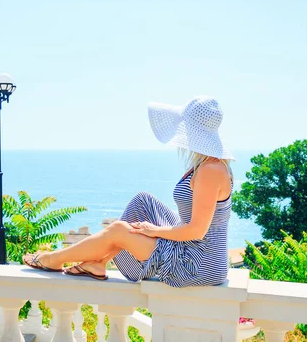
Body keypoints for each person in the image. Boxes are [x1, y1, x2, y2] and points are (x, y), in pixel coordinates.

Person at [22, 96, 234, 287]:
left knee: (118, 231)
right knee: (142, 201)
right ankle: (99, 263)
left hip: (198, 264)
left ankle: (54, 259)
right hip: (197, 251)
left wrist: (154, 230)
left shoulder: (210, 170)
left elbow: (197, 231)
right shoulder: (207, 164)